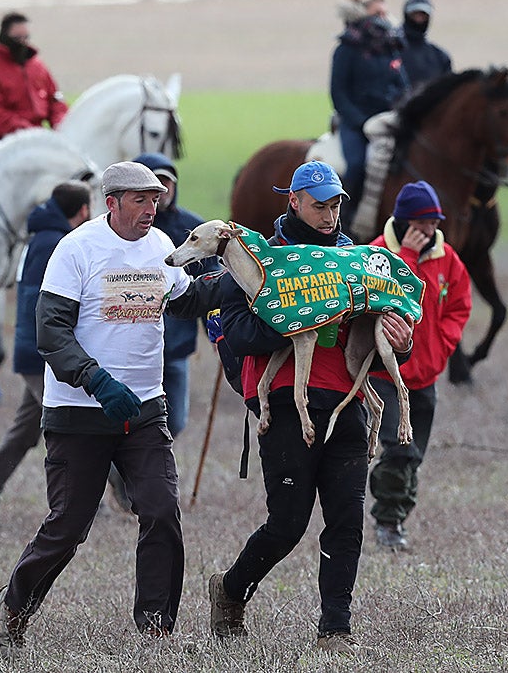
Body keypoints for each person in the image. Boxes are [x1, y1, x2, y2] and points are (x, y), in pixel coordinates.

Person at [0, 162, 221, 660]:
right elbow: (51, 331)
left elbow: (186, 300)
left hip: (144, 411)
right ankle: (13, 609)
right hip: (78, 414)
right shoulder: (76, 249)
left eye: (155, 199)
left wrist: (240, 279)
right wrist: (96, 380)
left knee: (160, 511)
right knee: (69, 527)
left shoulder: (161, 246)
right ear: (111, 202)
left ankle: (156, 627)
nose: (151, 208)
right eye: (140, 199)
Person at [209, 160, 414, 656]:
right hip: (285, 404)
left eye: (336, 205)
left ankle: (335, 629)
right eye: (320, 206)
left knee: (346, 521)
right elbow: (236, 334)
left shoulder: (355, 261)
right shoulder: (258, 261)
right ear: (294, 202)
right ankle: (230, 590)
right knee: (287, 524)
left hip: (347, 404)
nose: (330, 215)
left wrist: (400, 342)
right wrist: (299, 312)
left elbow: (375, 344)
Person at [0, 181, 91, 527]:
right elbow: (43, 307)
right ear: (82, 210)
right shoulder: (54, 244)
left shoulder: (43, 239)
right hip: (44, 355)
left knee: (23, 433)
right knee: (81, 424)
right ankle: (120, 501)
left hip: (40, 352)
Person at [367, 181, 471, 551]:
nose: (429, 230)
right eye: (422, 223)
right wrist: (408, 257)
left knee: (414, 457)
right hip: (384, 375)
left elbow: (459, 306)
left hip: (425, 376)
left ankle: (394, 518)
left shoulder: (447, 258)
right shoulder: (378, 255)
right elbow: (393, 295)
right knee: (400, 449)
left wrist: (442, 348)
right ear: (404, 222)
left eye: (434, 222)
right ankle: (388, 522)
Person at [133, 151, 219, 437]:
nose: (164, 189)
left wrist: (217, 332)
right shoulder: (126, 231)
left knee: (175, 422)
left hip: (175, 345)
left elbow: (211, 285)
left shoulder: (193, 229)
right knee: (133, 423)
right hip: (134, 348)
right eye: (156, 183)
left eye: (168, 182)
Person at [354, 0, 454, 233]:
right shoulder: (390, 50)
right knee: (366, 164)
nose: (419, 19)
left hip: (429, 130)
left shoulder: (439, 57)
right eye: (415, 14)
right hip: (391, 122)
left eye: (423, 15)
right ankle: (360, 220)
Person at [329, 0, 407, 234]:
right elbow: (338, 93)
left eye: (384, 12)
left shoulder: (391, 46)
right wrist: (360, 122)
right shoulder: (346, 49)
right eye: (377, 13)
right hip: (356, 124)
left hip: (388, 121)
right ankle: (346, 223)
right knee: (355, 166)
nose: (383, 18)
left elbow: (402, 85)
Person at [0, 11, 68, 149]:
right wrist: (28, 132)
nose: (23, 42)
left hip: (39, 138)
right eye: (17, 38)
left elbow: (56, 101)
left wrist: (60, 124)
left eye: (26, 37)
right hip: (1, 142)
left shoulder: (37, 66)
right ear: (4, 36)